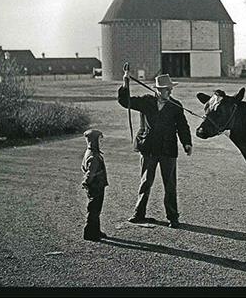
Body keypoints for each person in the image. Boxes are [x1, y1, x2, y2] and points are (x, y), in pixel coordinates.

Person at [117, 72, 192, 228]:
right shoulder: (146, 101)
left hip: (168, 151)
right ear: (158, 90)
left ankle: (173, 217)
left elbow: (183, 127)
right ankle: (139, 214)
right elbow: (125, 101)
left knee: (170, 185)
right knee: (145, 182)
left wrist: (187, 143)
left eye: (170, 89)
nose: (169, 92)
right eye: (166, 89)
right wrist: (125, 83)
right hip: (149, 149)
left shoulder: (176, 106)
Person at [81, 128, 109, 241]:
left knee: (96, 209)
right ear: (94, 141)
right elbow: (90, 173)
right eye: (99, 140)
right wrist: (86, 182)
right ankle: (90, 233)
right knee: (94, 209)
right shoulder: (94, 156)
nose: (101, 143)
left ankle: (96, 230)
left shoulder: (92, 152)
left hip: (95, 185)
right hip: (96, 186)